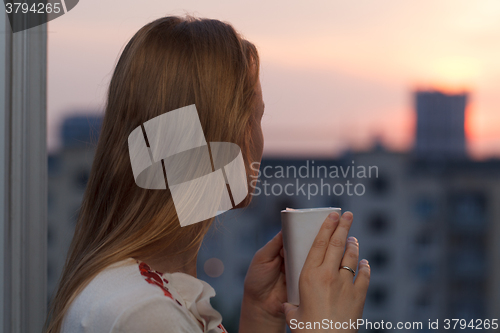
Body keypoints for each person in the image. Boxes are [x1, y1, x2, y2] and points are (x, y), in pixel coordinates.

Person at [44, 15, 370, 333]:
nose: (259, 138)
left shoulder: (132, 289)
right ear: (233, 134)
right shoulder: (148, 315)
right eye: (257, 116)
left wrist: (260, 318)